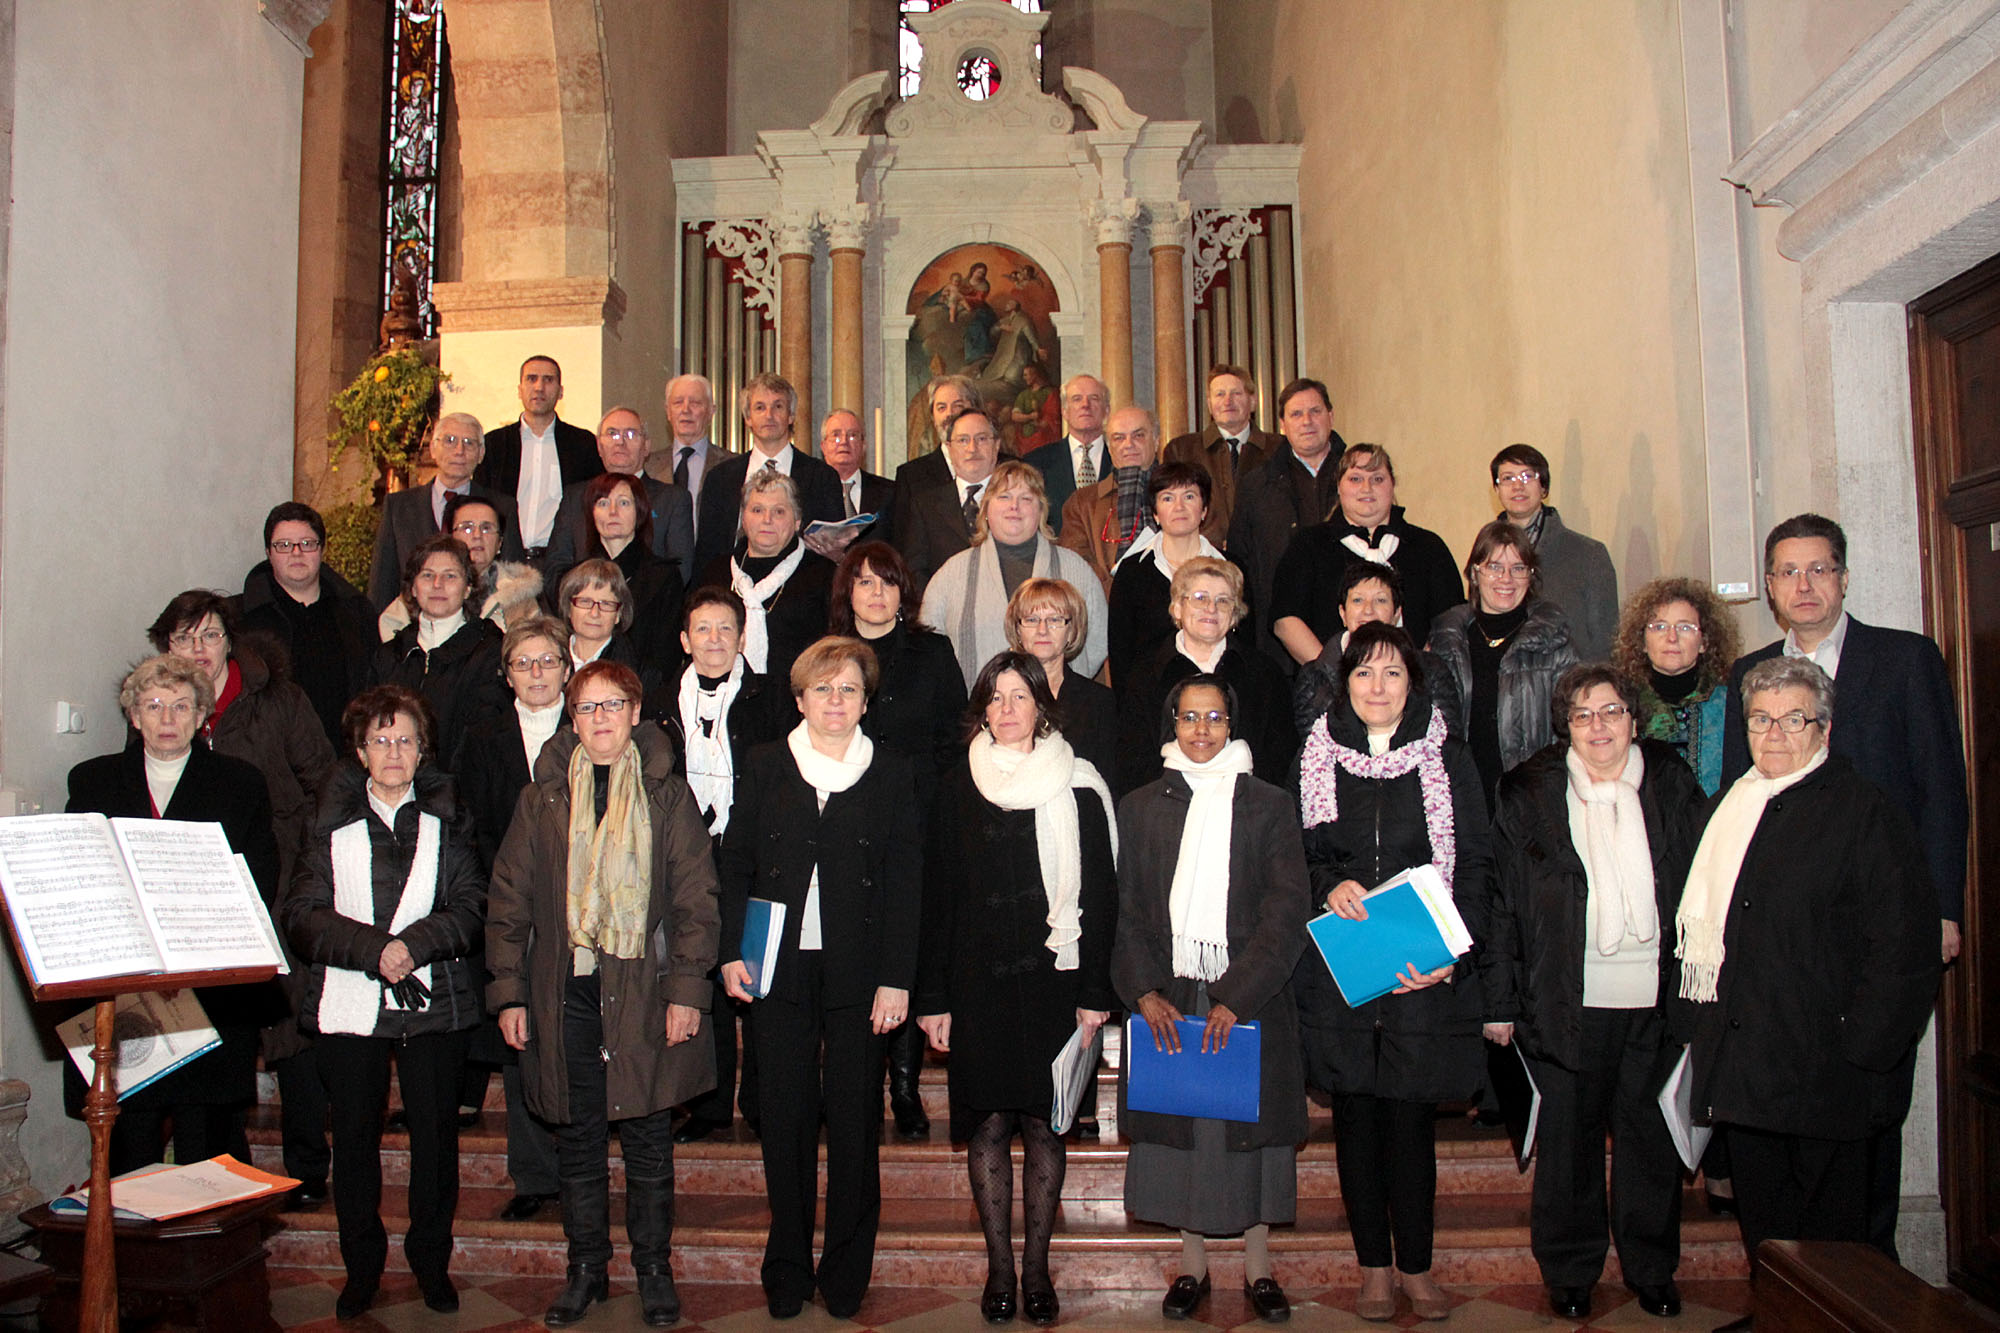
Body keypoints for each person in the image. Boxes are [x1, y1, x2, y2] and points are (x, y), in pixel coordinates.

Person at [1718, 513, 1967, 1257]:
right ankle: (1793, 1290)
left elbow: (1942, 791)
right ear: (1769, 587)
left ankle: (1870, 1279)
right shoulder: (1748, 672)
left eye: (1819, 569)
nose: (1804, 585)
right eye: (1788, 572)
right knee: (1786, 1148)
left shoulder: (1904, 660)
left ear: (1845, 577)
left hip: (1878, 928)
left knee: (1865, 1119)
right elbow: (1738, 798)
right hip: (1787, 943)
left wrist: (1943, 910)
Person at [1674, 657, 1936, 1307]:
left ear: (1825, 728)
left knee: (1832, 1249)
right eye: (1760, 719)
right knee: (1768, 1236)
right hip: (1749, 1074)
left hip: (1830, 1077)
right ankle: (1779, 1318)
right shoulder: (1729, 809)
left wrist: (1862, 1050)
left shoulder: (1865, 811)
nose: (1774, 734)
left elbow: (1904, 948)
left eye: (1793, 720)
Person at [487, 660, 721, 1328]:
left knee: (648, 1139)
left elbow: (696, 901)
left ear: (635, 712)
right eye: (587, 707)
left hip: (645, 991)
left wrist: (687, 992)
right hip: (565, 994)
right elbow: (508, 902)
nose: (600, 719)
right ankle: (586, 1269)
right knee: (579, 1140)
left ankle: (653, 1270)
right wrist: (509, 994)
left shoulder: (666, 795)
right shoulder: (542, 798)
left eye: (612, 705)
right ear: (572, 718)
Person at [1479, 665, 1705, 1322]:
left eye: (1611, 711)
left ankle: (1651, 1267)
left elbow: (1704, 883)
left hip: (1656, 999)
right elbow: (1502, 902)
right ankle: (1571, 1268)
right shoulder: (1529, 792)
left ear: (1634, 719)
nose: (1598, 726)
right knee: (1569, 1143)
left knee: (1649, 1139)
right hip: (1564, 997)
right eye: (1582, 714)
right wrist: (1499, 1001)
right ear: (1566, 727)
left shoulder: (1670, 782)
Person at [716, 638, 922, 1320]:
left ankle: (845, 1272)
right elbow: (736, 862)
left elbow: (905, 882)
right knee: (785, 1117)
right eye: (823, 689)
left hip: (861, 970)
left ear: (865, 702)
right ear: (800, 698)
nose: (836, 701)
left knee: (857, 1121)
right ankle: (787, 1267)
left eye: (849, 689)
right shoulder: (766, 763)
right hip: (778, 964)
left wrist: (897, 979)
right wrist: (731, 951)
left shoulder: (891, 772)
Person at [1291, 622, 1489, 1323]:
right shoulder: (1315, 756)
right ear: (1343, 683)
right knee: (1355, 1124)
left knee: (1410, 1128)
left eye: (1393, 673)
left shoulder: (1448, 757)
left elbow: (1475, 863)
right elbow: (1294, 855)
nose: (1377, 687)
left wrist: (1452, 954)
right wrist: (1327, 886)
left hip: (1420, 974)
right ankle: (1375, 1268)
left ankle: (1418, 1268)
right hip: (1343, 975)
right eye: (1364, 673)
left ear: (1414, 683)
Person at [916, 652, 1119, 1327]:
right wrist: (933, 998)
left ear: (1041, 706)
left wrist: (1095, 991)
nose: (1007, 709)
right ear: (982, 709)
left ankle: (1036, 1270)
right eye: (995, 697)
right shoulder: (956, 786)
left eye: (1020, 696)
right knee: (988, 1125)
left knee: (1044, 1126)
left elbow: (1101, 898)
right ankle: (999, 1269)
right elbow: (937, 900)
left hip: (1056, 983)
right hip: (976, 985)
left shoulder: (1079, 786)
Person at [282, 685, 486, 1319]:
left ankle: (431, 1264)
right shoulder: (328, 823)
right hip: (350, 1001)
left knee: (436, 1143)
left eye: (405, 740)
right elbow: (302, 914)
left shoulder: (450, 820)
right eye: (380, 740)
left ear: (422, 751)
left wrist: (411, 947)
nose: (393, 751)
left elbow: (472, 904)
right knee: (353, 1142)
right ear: (360, 752)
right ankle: (362, 1269)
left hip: (436, 1000)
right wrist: (376, 952)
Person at [1113, 675, 1311, 1325]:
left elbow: (1288, 910)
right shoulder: (1140, 806)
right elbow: (1124, 908)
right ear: (1171, 723)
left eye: (1215, 717)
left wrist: (1236, 995)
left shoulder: (1269, 804)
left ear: (1233, 724)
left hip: (1250, 995)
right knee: (1185, 1137)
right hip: (1170, 996)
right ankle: (1192, 1266)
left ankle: (1259, 1268)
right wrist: (1143, 991)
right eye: (1189, 716)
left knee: (1249, 1136)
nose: (1201, 730)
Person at [149, 590, 340, 1196]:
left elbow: (325, 783)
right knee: (216, 1036)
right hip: (195, 900)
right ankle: (226, 1168)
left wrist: (309, 868)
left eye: (210, 635)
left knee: (290, 1030)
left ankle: (307, 1168)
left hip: (279, 881)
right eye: (184, 638)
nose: (198, 650)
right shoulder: (163, 709)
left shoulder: (277, 699)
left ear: (230, 641)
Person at [63, 655, 279, 1176]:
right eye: (154, 705)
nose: (167, 718)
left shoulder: (240, 783)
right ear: (133, 715)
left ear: (202, 716)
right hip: (126, 981)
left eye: (181, 706)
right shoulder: (93, 780)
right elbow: (79, 874)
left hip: (209, 983)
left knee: (208, 1143)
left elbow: (260, 878)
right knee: (130, 1140)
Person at [830, 541, 967, 1143]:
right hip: (845, 821)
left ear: (903, 592)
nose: (876, 593)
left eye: (887, 582)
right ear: (848, 592)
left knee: (908, 947)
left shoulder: (932, 653)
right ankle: (856, 1082)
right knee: (856, 949)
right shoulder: (829, 656)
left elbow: (955, 738)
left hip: (918, 820)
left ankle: (905, 1088)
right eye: (864, 582)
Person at [453, 617, 572, 1223]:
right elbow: (469, 826)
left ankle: (580, 1169)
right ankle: (534, 1174)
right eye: (523, 663)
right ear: (506, 676)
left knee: (579, 1041)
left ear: (568, 669)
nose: (536, 673)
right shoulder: (482, 739)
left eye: (547, 661)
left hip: (583, 910)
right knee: (520, 1042)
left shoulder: (590, 731)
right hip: (511, 911)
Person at [662, 587, 791, 1144]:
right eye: (703, 629)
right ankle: (708, 1104)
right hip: (683, 854)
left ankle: (762, 1102)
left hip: (753, 851)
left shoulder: (772, 699)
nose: (714, 639)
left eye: (725, 629)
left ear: (742, 639)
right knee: (701, 974)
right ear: (685, 639)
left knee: (756, 973)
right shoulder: (660, 702)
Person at [1269, 442, 1463, 668]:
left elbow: (1450, 623)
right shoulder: (1308, 545)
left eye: (1377, 479)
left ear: (1393, 485)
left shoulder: (1427, 547)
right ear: (1338, 486)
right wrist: (1335, 675)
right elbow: (1286, 620)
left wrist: (1416, 673)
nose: (1366, 488)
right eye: (1355, 479)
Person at [1427, 520, 1579, 807]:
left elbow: (1572, 730)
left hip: (1532, 798)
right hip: (1460, 797)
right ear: (1475, 573)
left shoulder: (1555, 644)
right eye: (1494, 567)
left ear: (1530, 576)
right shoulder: (1445, 642)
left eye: (1518, 568)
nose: (1506, 578)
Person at [1114, 557, 1294, 797]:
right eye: (1200, 598)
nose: (1211, 608)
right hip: (1167, 805)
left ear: (1234, 615)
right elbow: (1133, 760)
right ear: (1178, 608)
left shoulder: (1264, 674)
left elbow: (1279, 757)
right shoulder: (1146, 674)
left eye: (1223, 600)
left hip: (1246, 806)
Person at [922, 459, 1109, 685]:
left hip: (1059, 703)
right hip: (976, 702)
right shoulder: (952, 573)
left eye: (1026, 498)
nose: (1014, 506)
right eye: (1004, 497)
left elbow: (1098, 639)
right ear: (985, 508)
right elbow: (928, 645)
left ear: (1041, 510)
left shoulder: (1076, 569)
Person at [1226, 378, 1349, 669]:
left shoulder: (1358, 477)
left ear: (1331, 416)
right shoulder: (1256, 484)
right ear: (1282, 425)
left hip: (1346, 628)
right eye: (1296, 414)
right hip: (1277, 642)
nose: (1307, 421)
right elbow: (1241, 561)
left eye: (1315, 411)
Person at [239, 500, 376, 748]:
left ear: (322, 549)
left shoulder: (357, 613)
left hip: (344, 751)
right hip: (273, 755)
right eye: (284, 545)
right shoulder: (243, 618)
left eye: (307, 543)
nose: (296, 553)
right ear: (269, 553)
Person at [370, 534, 507, 768]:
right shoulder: (390, 656)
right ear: (413, 588)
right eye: (427, 575)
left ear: (468, 588)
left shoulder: (490, 652)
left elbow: (485, 740)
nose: (437, 584)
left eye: (450, 576)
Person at [694, 468, 836, 690]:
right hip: (723, 695)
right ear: (743, 518)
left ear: (797, 521)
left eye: (779, 511)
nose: (767, 520)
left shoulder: (824, 574)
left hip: (799, 695)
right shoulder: (717, 573)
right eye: (757, 510)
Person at [1291, 562, 1464, 740]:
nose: (1368, 610)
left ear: (1397, 614)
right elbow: (1311, 745)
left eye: (1380, 600)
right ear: (1343, 613)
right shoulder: (1313, 677)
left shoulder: (1430, 669)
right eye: (1358, 600)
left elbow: (1447, 739)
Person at [368, 412, 524, 608]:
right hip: (412, 621)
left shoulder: (501, 507)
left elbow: (516, 579)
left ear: (481, 454)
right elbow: (383, 582)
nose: (459, 450)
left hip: (481, 619)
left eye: (469, 443)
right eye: (450, 441)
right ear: (433, 449)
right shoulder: (399, 507)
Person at [693, 373, 845, 573]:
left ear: (791, 416)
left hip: (804, 584)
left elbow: (837, 549)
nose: (769, 415)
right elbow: (707, 553)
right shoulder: (720, 478)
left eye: (778, 406)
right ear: (748, 418)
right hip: (732, 584)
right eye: (760, 407)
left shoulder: (822, 477)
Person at [1612, 576, 1741, 796]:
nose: (1672, 637)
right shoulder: (1620, 705)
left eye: (1685, 627)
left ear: (1704, 643)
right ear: (1642, 642)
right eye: (1659, 627)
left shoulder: (1730, 703)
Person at [1491, 444, 1618, 661]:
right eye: (1508, 478)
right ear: (1497, 489)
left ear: (1544, 487)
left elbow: (1606, 643)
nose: (1517, 486)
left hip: (1569, 677)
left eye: (1527, 476)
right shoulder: (1485, 555)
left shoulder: (1589, 555)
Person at [473, 355, 605, 558]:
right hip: (504, 560)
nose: (539, 387)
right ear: (519, 390)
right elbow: (478, 502)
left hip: (562, 561)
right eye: (531, 379)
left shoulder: (582, 444)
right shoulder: (494, 444)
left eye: (548, 380)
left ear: (561, 392)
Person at [1106, 459, 1222, 687]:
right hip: (1149, 697)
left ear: (1204, 510)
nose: (1179, 507)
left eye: (1189, 496)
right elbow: (1120, 656)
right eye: (1168, 498)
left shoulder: (1229, 568)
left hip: (1216, 693)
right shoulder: (1131, 572)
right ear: (1156, 514)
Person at [543, 406, 696, 577]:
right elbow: (556, 566)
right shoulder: (576, 497)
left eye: (630, 434)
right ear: (599, 446)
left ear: (646, 446)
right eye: (612, 434)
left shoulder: (672, 500)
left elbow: (680, 571)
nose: (620, 442)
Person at [381, 494, 546, 641]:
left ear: (499, 544)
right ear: (450, 537)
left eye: (486, 528)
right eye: (467, 528)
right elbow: (391, 628)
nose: (477, 536)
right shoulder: (427, 586)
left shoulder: (519, 596)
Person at [1004, 577, 1117, 781]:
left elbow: (1109, 782)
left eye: (1055, 620)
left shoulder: (1100, 703)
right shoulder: (994, 695)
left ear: (1071, 631)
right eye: (1032, 620)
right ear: (1018, 629)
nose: (1042, 630)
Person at [1161, 364, 1278, 545]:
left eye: (1236, 393)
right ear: (1209, 404)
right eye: (1220, 394)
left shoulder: (1278, 449)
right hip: (1203, 554)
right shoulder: (1181, 450)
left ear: (1253, 401)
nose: (1227, 401)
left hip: (1264, 554)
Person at [894, 404, 1003, 597]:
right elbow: (915, 570)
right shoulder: (926, 506)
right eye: (963, 440)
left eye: (981, 439)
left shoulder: (1017, 501)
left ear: (996, 446)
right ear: (950, 449)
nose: (972, 448)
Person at [1057, 404, 1163, 589]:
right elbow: (1075, 563)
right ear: (1109, 447)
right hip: (1105, 600)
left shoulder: (1181, 493)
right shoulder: (1082, 502)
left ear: (1156, 441)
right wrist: (1117, 593)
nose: (1128, 444)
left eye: (1138, 435)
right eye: (1119, 438)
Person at [887, 373, 981, 548]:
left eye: (958, 406)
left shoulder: (1005, 468)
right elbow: (904, 544)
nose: (949, 414)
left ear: (975, 411)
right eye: (941, 408)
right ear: (932, 417)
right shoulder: (911, 476)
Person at [1023, 373, 1110, 534]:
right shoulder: (1035, 463)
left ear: (1106, 410)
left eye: (1094, 398)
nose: (1085, 405)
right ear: (1064, 411)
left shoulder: (1121, 462)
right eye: (1077, 399)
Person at [555, 558, 654, 692]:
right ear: (568, 608)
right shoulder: (550, 659)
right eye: (585, 601)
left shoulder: (638, 670)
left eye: (606, 604)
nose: (594, 613)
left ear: (618, 614)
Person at [646, 373, 726, 533]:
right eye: (678, 402)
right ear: (668, 412)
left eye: (695, 403)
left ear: (711, 412)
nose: (685, 410)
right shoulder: (648, 466)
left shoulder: (731, 465)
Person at [817, 407, 894, 547]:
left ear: (863, 445)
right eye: (836, 435)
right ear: (823, 446)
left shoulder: (889, 492)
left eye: (852, 435)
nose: (844, 442)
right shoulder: (810, 492)